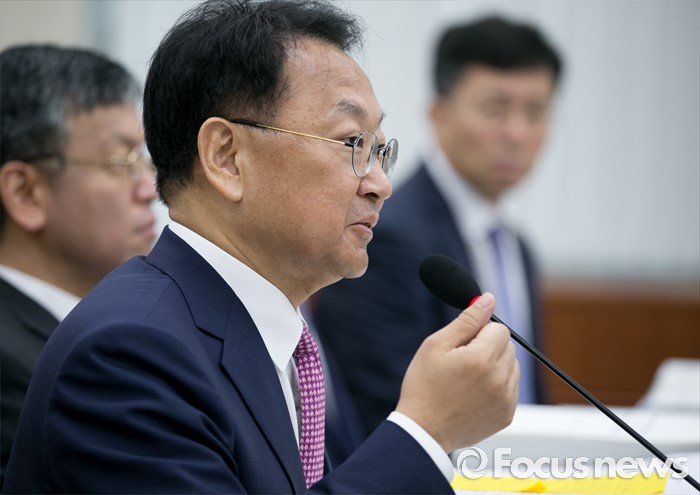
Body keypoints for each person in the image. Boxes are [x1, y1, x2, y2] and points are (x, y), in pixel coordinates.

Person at [3, 1, 519, 492]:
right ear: (226, 157)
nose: (380, 184)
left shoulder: (271, 337)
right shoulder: (129, 353)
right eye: (352, 144)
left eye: (380, 150)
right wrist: (425, 432)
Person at [314, 15, 563, 435]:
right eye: (495, 109)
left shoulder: (517, 246)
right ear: (438, 115)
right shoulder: (383, 234)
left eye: (535, 112)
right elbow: (389, 413)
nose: (517, 133)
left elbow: (530, 396)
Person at [0, 45, 157, 484]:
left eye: (144, 160)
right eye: (121, 162)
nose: (149, 189)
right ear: (26, 193)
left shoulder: (88, 334)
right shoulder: (18, 369)